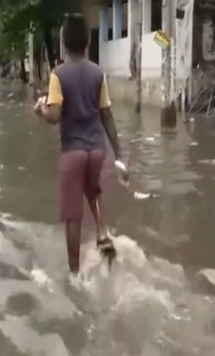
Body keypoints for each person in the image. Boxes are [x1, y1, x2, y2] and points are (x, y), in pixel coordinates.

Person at [33, 14, 126, 274]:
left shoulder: (58, 75)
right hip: (98, 150)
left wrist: (40, 109)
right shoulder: (98, 73)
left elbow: (54, 116)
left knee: (72, 214)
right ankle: (103, 233)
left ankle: (75, 275)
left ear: (64, 43)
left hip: (73, 151)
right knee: (92, 190)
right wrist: (118, 155)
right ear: (87, 42)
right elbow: (106, 114)